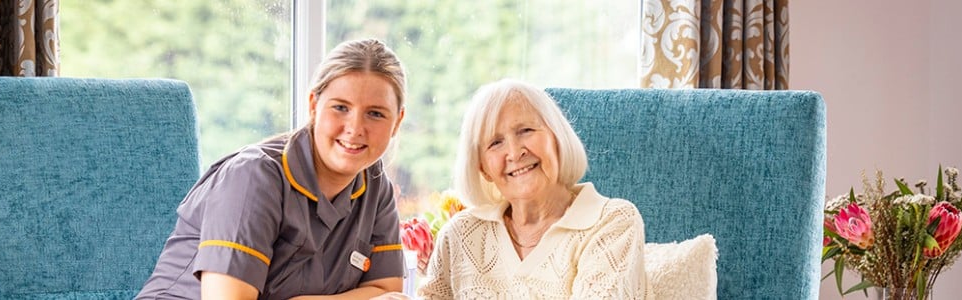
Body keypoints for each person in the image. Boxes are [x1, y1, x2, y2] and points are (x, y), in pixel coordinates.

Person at [137, 39, 408, 300]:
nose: (355, 128)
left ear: (397, 122)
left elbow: (387, 290)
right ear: (314, 106)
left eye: (375, 114)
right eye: (340, 107)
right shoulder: (252, 177)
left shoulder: (373, 183)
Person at [417, 79, 647, 299]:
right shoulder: (460, 234)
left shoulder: (613, 222)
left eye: (525, 130)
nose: (515, 153)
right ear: (483, 168)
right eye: (496, 143)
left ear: (557, 138)